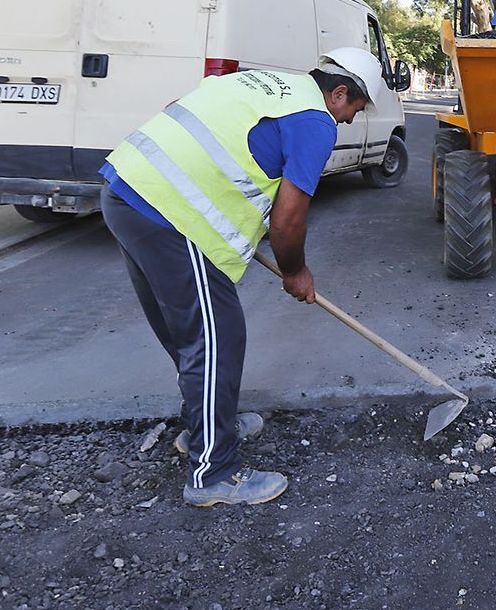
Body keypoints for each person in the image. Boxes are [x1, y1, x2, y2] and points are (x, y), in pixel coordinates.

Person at [99, 49, 376, 506]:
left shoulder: (267, 83)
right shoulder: (315, 120)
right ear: (339, 92)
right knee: (216, 341)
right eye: (354, 110)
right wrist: (295, 271)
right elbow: (288, 220)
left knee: (190, 334)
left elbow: (177, 108)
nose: (348, 121)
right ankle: (214, 472)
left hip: (127, 190)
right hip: (171, 215)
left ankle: (210, 426)